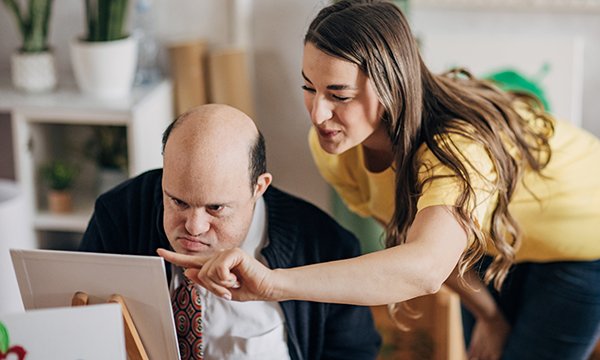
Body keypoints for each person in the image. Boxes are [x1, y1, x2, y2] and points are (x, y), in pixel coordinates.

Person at [159, 1, 600, 359]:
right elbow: (417, 239)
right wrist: (490, 316)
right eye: (309, 87)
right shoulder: (337, 149)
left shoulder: (457, 152)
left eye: (339, 95)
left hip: (582, 240)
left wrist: (275, 283)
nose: (318, 114)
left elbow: (425, 267)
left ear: (392, 87)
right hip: (500, 239)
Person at [79, 104, 381, 360]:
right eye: (178, 201)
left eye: (216, 208)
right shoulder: (118, 214)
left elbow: (355, 352)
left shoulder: (327, 249)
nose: (194, 227)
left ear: (258, 187)